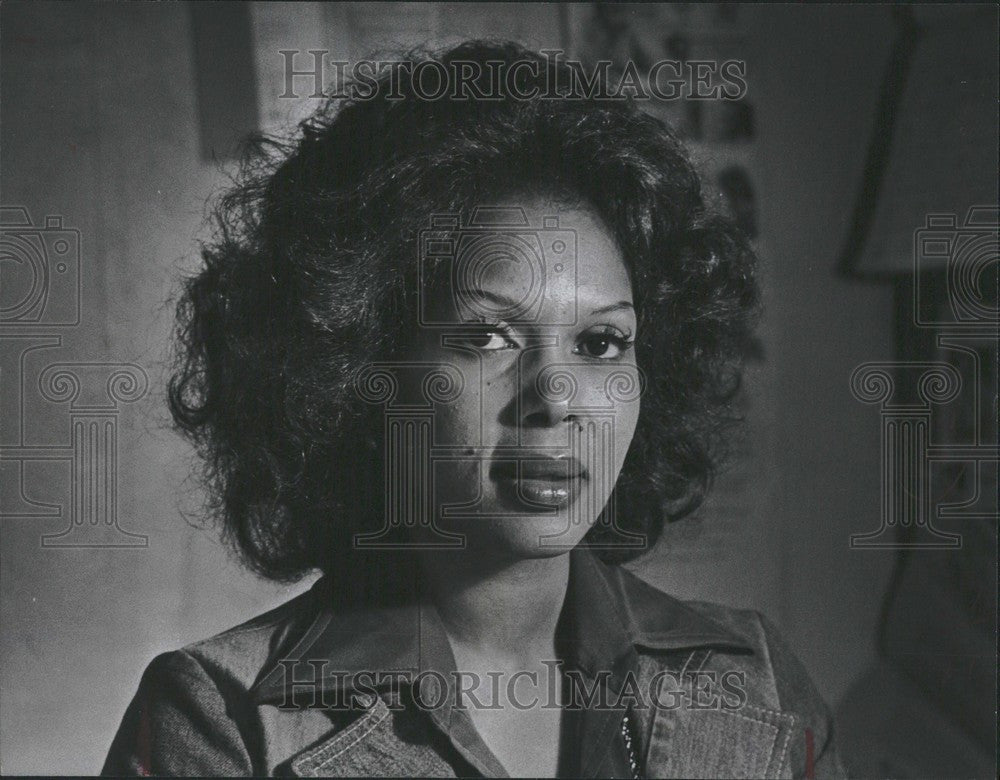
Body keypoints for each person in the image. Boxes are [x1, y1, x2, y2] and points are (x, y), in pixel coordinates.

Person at [103, 40, 844, 778]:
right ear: (367, 371)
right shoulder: (222, 721)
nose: (556, 398)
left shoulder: (758, 685)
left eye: (602, 342)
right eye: (488, 335)